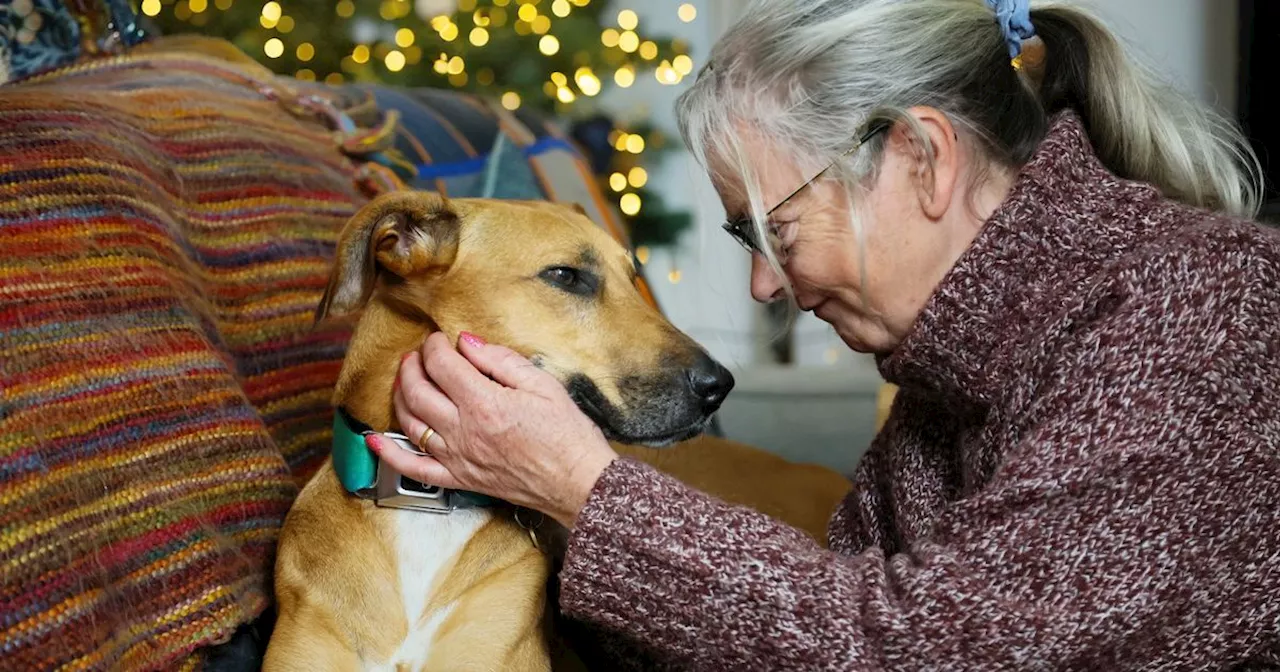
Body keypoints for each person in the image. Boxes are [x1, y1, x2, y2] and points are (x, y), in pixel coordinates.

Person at [368, 0, 1280, 668]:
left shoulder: (1197, 310)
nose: (766, 283)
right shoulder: (947, 373)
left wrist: (580, 488)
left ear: (921, 159)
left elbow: (917, 648)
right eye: (745, 240)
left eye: (777, 231)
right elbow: (787, 634)